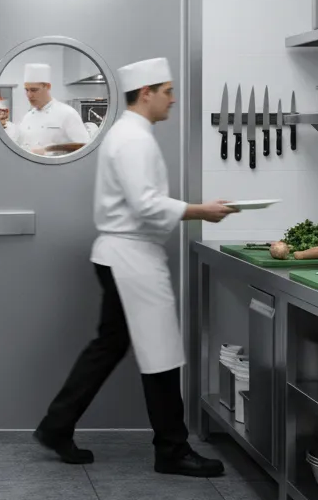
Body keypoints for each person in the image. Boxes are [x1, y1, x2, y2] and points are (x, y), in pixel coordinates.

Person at [34, 57, 235, 475]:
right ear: (147, 93)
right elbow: (145, 204)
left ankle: (57, 425)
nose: (173, 99)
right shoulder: (133, 139)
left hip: (121, 255)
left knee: (110, 346)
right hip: (131, 257)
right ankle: (172, 450)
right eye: (168, 92)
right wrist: (201, 211)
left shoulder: (129, 134)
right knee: (160, 350)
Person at [9, 62, 88, 154]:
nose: (29, 95)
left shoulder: (68, 113)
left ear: (47, 87)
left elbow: (84, 146)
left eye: (34, 90)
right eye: (27, 90)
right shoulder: (27, 117)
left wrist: (49, 150)